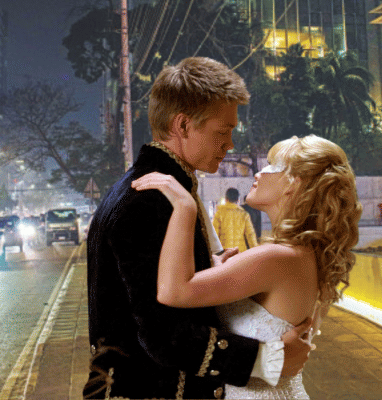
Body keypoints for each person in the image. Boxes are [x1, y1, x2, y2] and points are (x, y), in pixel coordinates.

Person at [84, 57, 314, 399]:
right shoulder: (150, 200)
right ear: (183, 125)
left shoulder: (157, 189)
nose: (231, 144)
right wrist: (266, 360)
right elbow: (161, 333)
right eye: (223, 132)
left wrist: (207, 270)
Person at [133, 134, 362, 398]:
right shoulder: (303, 255)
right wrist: (219, 271)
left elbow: (172, 291)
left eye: (272, 166)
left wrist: (185, 206)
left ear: (293, 184)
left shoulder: (276, 258)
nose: (259, 172)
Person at [212, 187, 258, 252]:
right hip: (240, 251)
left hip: (225, 252)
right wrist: (255, 250)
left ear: (226, 199)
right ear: (238, 200)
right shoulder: (244, 214)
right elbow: (250, 234)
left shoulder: (219, 214)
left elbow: (214, 235)